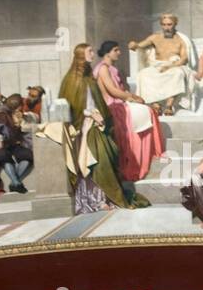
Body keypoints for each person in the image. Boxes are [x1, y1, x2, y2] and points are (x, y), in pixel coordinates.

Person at [52, 43, 149, 212]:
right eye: (89, 51)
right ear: (81, 55)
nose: (92, 54)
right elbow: (69, 106)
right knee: (94, 162)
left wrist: (100, 116)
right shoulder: (71, 79)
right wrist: (89, 114)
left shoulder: (90, 77)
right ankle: (92, 200)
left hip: (97, 125)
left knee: (107, 160)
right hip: (82, 129)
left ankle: (103, 197)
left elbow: (97, 101)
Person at [95, 40, 164, 183]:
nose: (119, 53)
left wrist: (134, 97)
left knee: (149, 110)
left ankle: (150, 153)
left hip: (121, 101)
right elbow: (112, 91)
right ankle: (140, 158)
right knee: (147, 112)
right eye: (116, 50)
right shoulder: (102, 68)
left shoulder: (112, 68)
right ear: (108, 52)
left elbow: (121, 89)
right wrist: (132, 97)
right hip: (112, 105)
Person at [132, 14, 196, 115]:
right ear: (161, 25)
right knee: (143, 74)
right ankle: (155, 105)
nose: (167, 28)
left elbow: (184, 58)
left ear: (175, 24)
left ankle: (169, 105)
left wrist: (169, 66)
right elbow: (140, 45)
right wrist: (134, 45)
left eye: (169, 25)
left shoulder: (181, 39)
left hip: (174, 65)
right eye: (164, 25)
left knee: (178, 74)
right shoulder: (155, 37)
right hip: (157, 65)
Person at [0, 95, 34, 193]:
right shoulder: (0, 114)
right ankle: (16, 182)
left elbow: (21, 129)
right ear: (18, 105)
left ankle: (14, 183)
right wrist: (0, 139)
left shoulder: (16, 113)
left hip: (14, 143)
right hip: (0, 144)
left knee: (28, 156)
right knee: (3, 157)